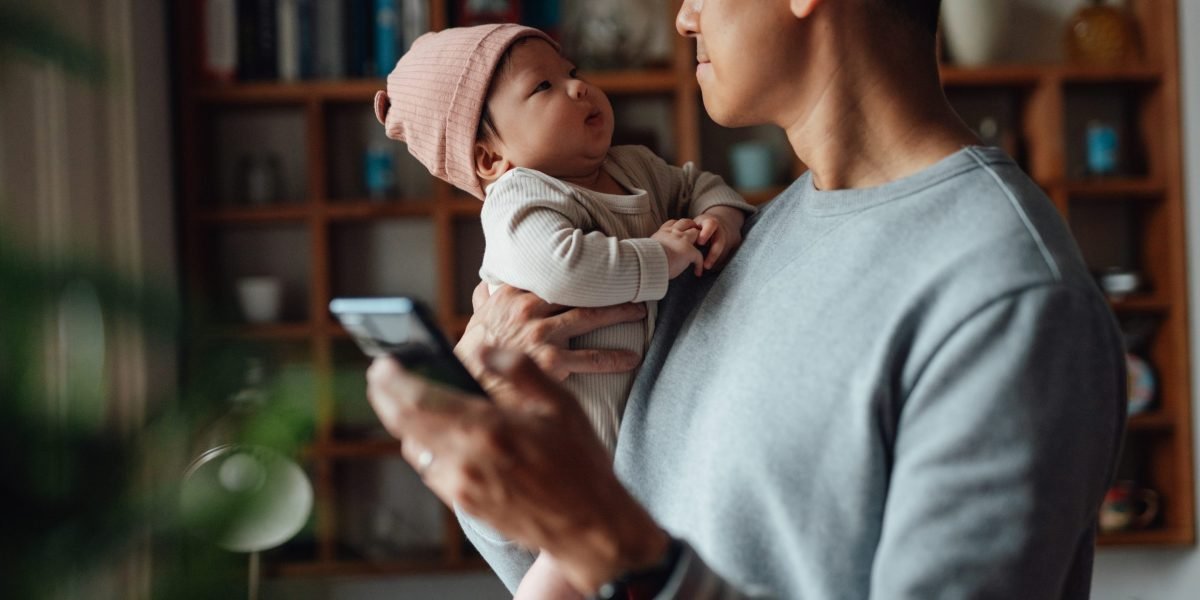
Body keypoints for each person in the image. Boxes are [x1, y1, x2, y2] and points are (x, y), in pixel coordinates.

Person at [366, 0, 1128, 598]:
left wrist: (613, 545)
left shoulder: (1010, 300)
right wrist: (491, 458)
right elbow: (600, 568)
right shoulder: (739, 242)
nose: (683, 16)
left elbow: (624, 558)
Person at [371, 23, 755, 598]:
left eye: (571, 73)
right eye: (543, 88)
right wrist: (662, 257)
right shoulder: (520, 199)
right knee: (561, 571)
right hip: (566, 444)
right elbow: (563, 269)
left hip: (637, 445)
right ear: (489, 156)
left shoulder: (635, 167)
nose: (577, 89)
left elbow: (695, 184)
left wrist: (721, 214)